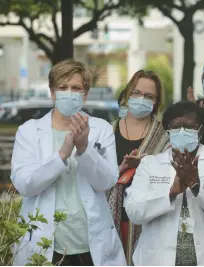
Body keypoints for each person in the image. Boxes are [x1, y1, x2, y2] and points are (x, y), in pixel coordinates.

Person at [10, 59, 126, 266]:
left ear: (85, 94)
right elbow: (24, 185)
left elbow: (106, 182)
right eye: (62, 88)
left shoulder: (101, 129)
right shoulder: (28, 131)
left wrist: (84, 148)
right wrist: (62, 155)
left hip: (89, 243)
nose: (69, 93)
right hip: (45, 243)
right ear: (52, 93)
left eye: (76, 88)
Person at [124, 101, 204, 266]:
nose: (182, 131)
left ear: (201, 129)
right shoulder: (150, 164)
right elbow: (134, 211)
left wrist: (196, 185)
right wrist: (170, 193)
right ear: (167, 131)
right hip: (158, 259)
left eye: (189, 126)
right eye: (176, 127)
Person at [106, 70, 170, 265]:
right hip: (107, 219)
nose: (141, 99)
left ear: (156, 102)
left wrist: (146, 163)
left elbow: (168, 176)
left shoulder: (164, 137)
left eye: (148, 96)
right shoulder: (108, 131)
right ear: (127, 94)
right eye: (136, 93)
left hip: (147, 222)